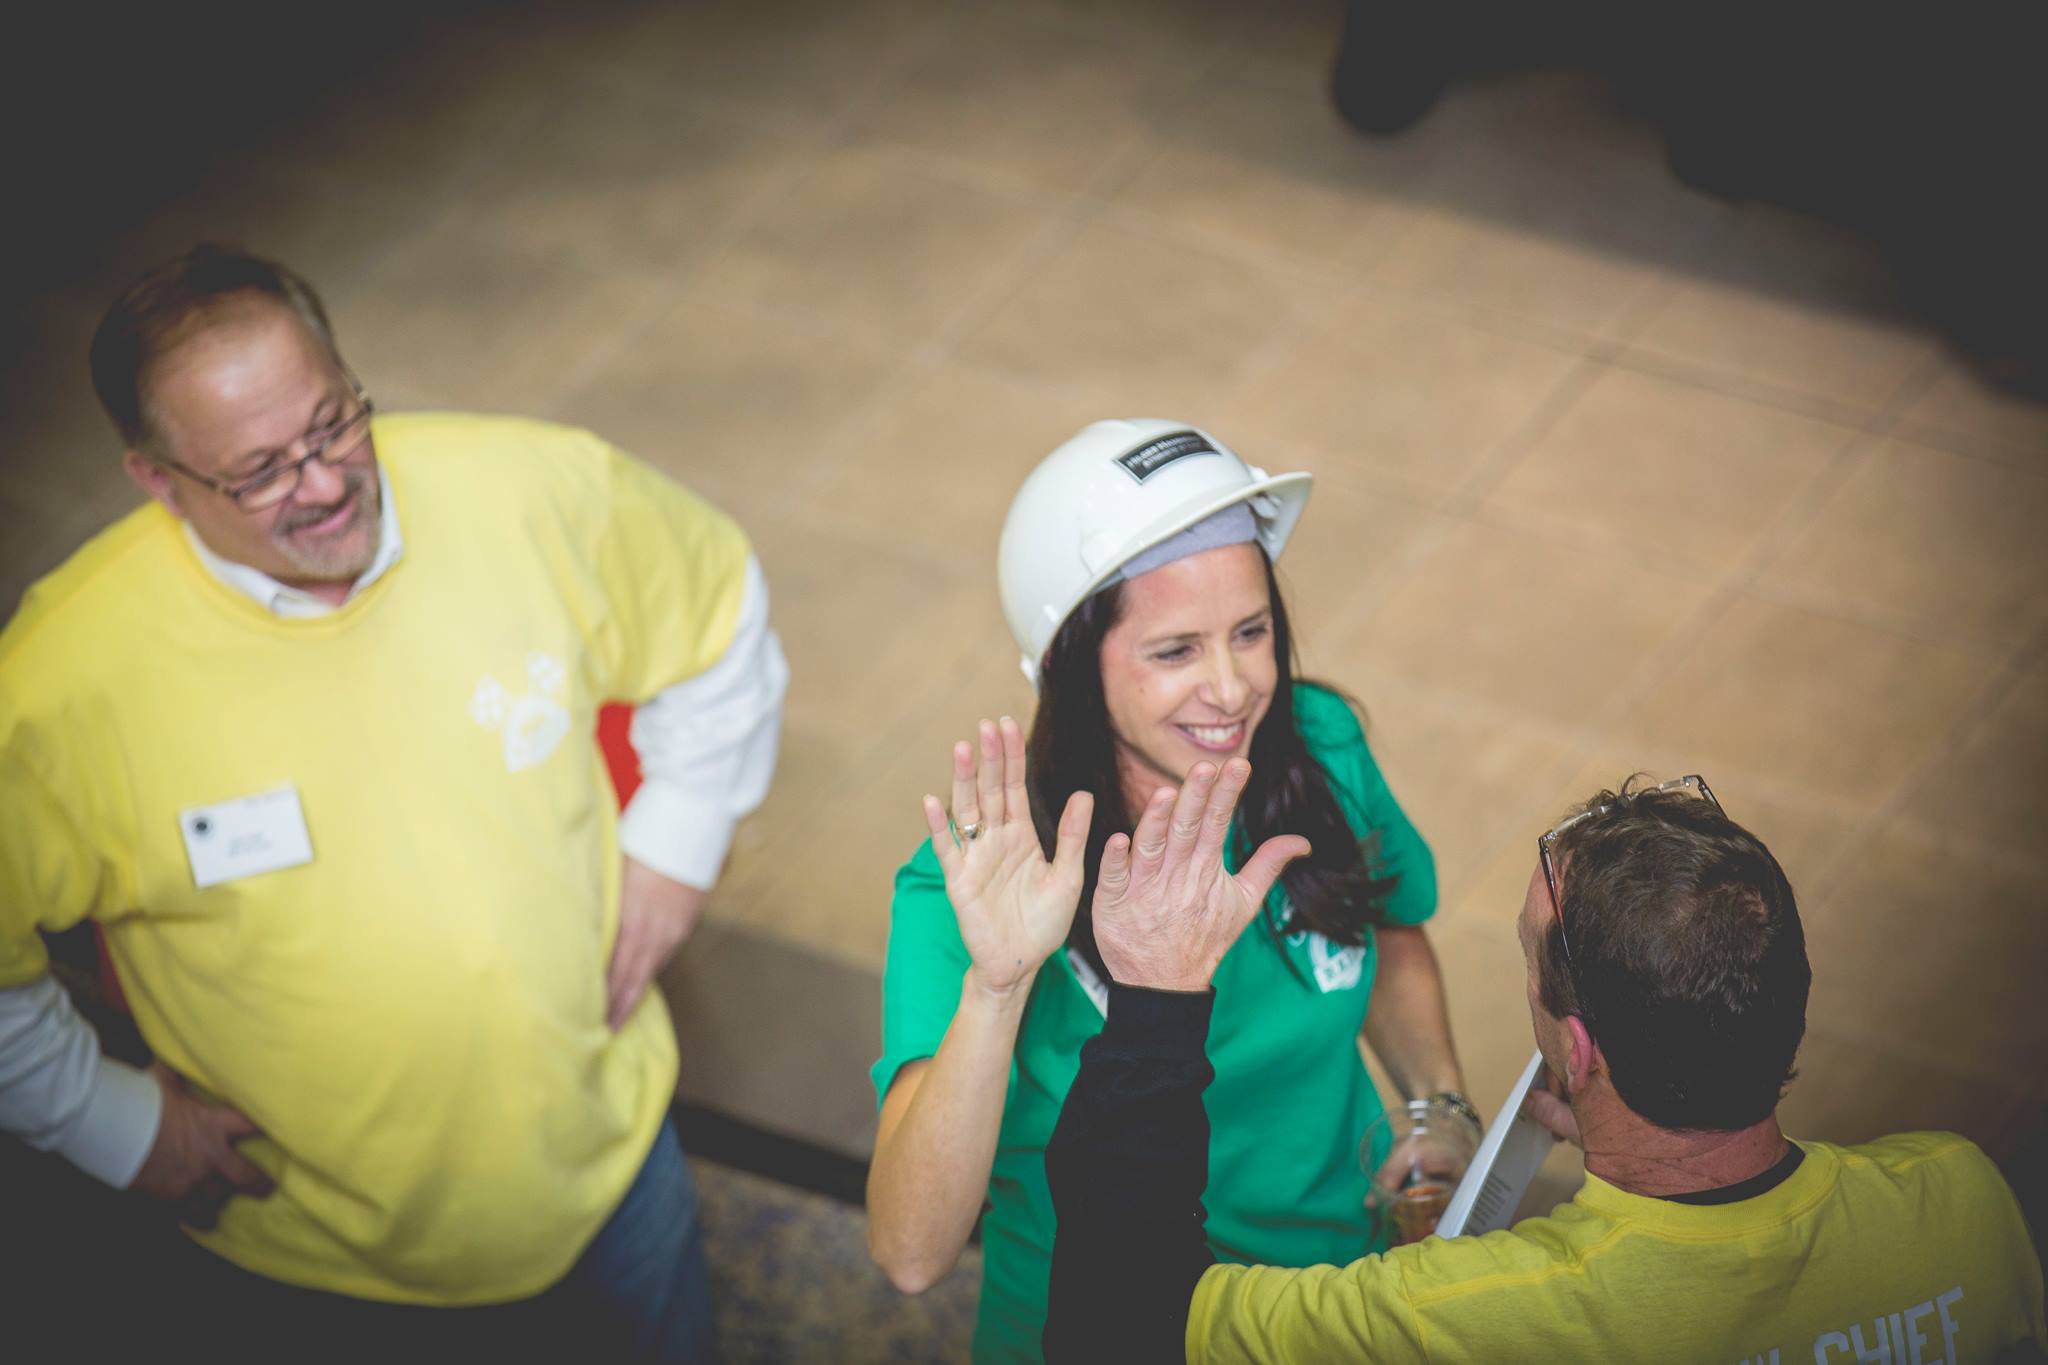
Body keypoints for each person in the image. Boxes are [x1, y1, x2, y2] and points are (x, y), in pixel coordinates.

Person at [0, 244, 788, 1360]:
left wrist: (675, 844)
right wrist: (106, 1123)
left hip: (613, 1171)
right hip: (306, 1253)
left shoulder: (534, 490)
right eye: (259, 470)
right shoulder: (57, 686)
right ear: (157, 480)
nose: (322, 484)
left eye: (332, 425)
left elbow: (718, 612)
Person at [1043, 774, 2048, 1363]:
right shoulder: (1956, 1197)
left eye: (1529, 960)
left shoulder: (1471, 1317)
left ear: (1573, 1049)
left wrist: (1159, 996)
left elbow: (1117, 1322)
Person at [866, 420, 1473, 1362]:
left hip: (1336, 1304)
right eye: (1174, 651)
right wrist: (996, 988)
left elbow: (1390, 929)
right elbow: (910, 1252)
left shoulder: (1319, 748)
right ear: (1074, 665)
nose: (1232, 689)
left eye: (1251, 632)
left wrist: (1438, 1109)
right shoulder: (973, 882)